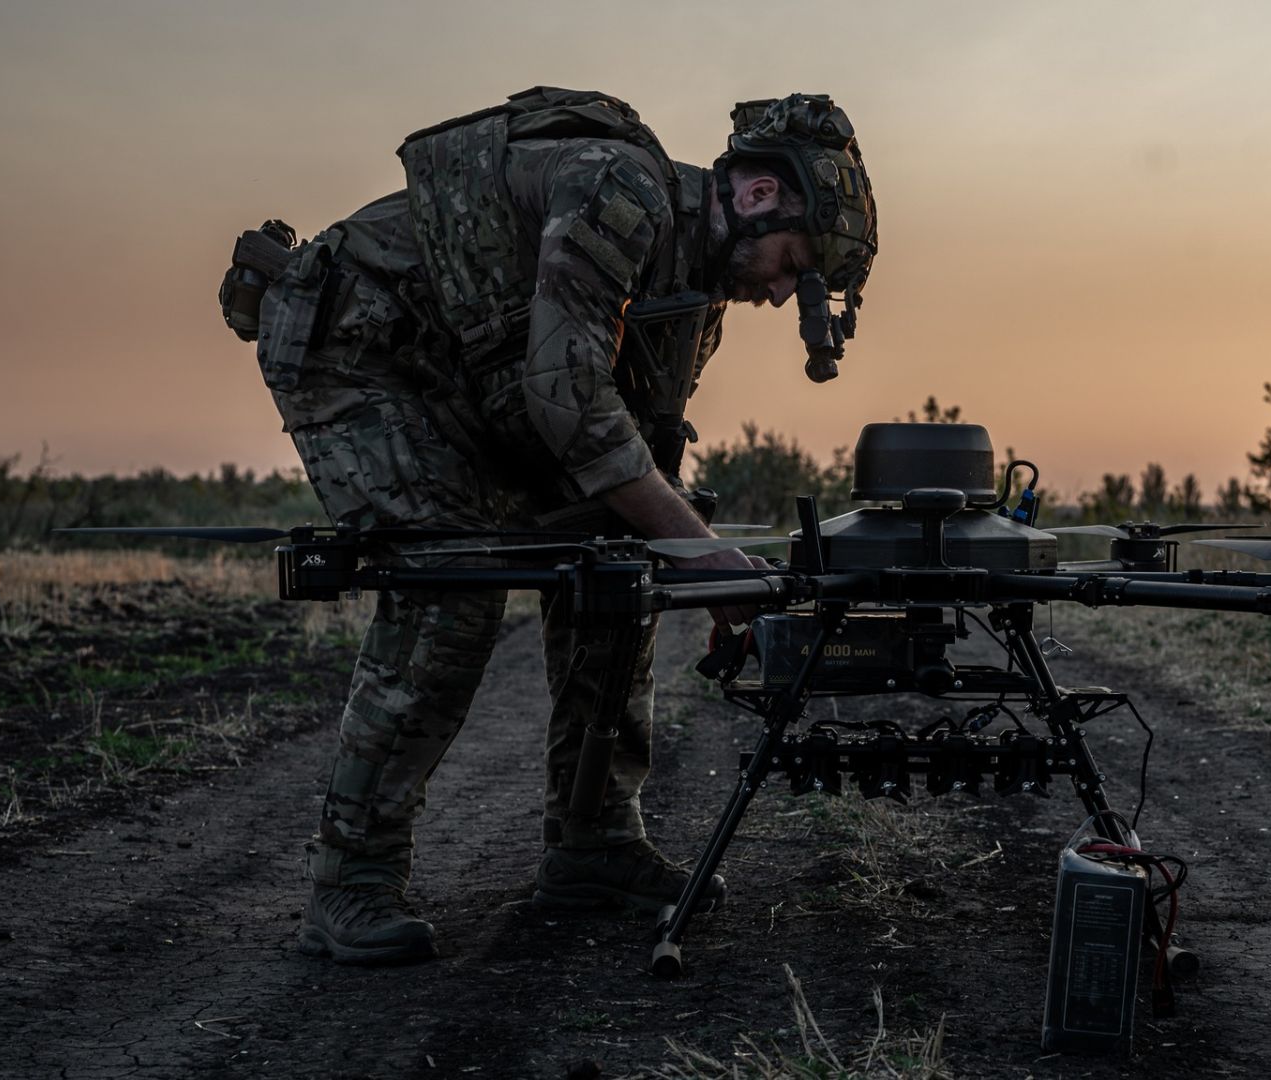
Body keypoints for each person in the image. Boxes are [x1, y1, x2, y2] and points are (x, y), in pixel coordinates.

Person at [226, 88, 875, 964]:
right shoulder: (618, 190)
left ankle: (593, 844)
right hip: (362, 350)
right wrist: (705, 558)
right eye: (793, 264)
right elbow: (569, 403)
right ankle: (352, 881)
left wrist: (686, 560)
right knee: (448, 589)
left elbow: (640, 446)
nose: (781, 292)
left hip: (482, 388)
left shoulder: (695, 288)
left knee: (616, 574)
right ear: (760, 196)